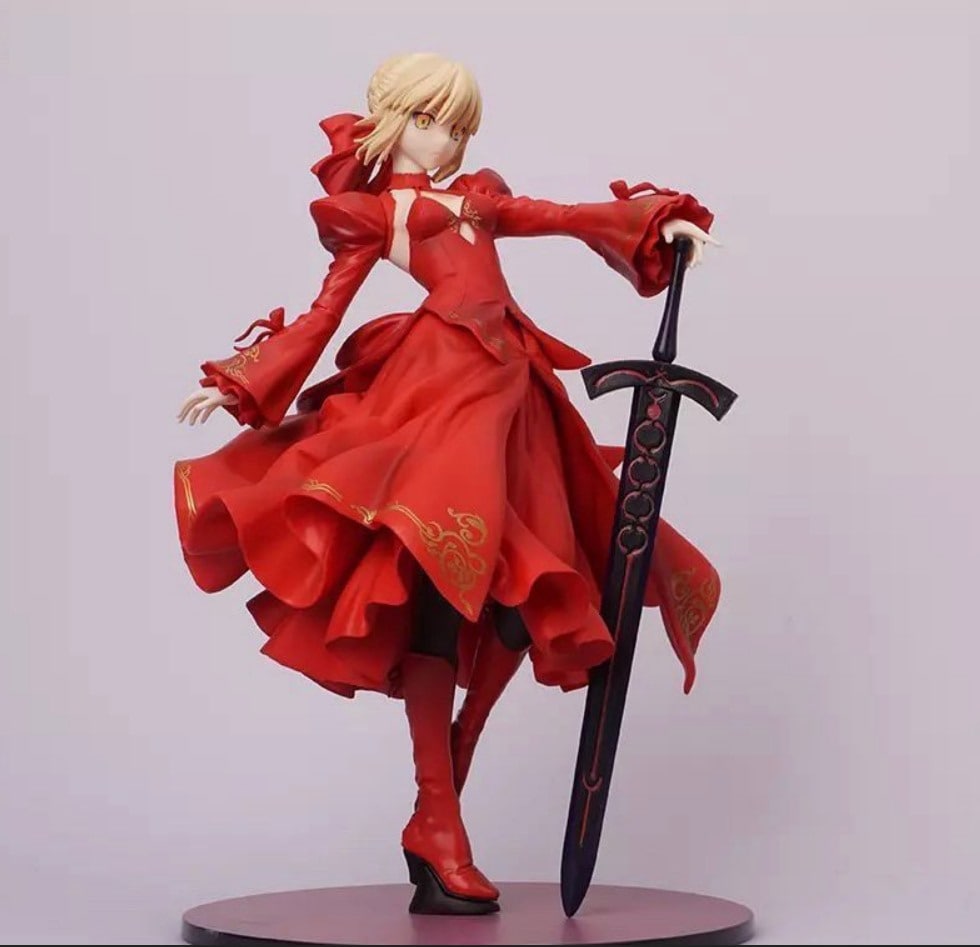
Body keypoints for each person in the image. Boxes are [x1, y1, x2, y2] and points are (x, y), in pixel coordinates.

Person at [174, 52, 722, 915]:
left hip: (514, 398)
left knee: (527, 589)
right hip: (438, 400)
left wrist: (661, 223)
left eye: (460, 127)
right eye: (432, 122)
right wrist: (241, 381)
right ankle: (439, 813)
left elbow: (566, 215)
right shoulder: (373, 215)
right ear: (394, 121)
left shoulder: (479, 198)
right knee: (440, 585)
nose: (448, 141)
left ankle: (445, 785)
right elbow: (324, 313)